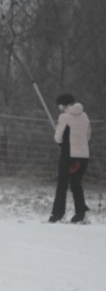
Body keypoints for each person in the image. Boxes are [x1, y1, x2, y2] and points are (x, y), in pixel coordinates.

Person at [50, 93, 91, 224]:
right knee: (76, 184)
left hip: (68, 155)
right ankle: (80, 214)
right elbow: (88, 136)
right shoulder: (85, 116)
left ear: (63, 105)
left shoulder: (64, 117)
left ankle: (57, 214)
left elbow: (58, 137)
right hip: (83, 155)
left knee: (62, 185)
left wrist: (60, 140)